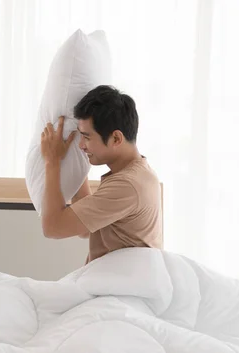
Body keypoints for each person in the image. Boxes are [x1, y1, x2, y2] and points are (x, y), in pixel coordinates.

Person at [40, 85, 162, 264]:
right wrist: (74, 161)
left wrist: (52, 161)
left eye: (87, 137)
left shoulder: (127, 185)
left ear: (116, 139)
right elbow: (85, 229)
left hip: (121, 287)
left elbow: (52, 227)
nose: (81, 145)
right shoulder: (137, 174)